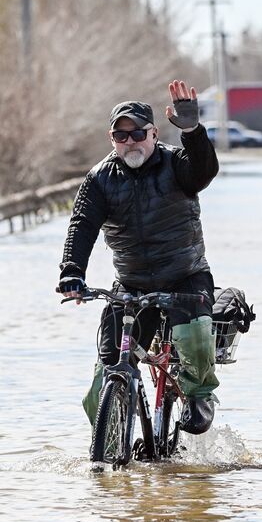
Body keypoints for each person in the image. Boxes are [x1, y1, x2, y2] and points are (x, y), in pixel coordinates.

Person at [57, 80, 222, 434]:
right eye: (121, 136)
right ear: (112, 139)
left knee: (194, 338)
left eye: (137, 134)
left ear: (154, 133)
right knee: (106, 372)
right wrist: (72, 272)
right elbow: (82, 225)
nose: (130, 142)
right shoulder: (100, 179)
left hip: (185, 277)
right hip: (131, 285)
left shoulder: (177, 163)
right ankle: (111, 436)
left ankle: (198, 395)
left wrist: (192, 131)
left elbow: (205, 170)